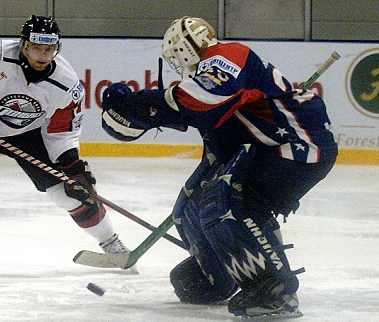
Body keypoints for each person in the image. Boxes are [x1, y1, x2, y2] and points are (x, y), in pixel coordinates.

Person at [100, 16, 338, 319]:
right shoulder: (203, 80)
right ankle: (221, 272)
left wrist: (143, 103)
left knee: (232, 199)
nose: (176, 64)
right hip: (269, 149)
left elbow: (202, 98)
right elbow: (167, 116)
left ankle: (275, 291)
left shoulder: (228, 56)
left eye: (176, 55)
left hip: (299, 146)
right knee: (194, 202)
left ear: (185, 49)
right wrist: (128, 111)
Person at [0, 15, 133, 273]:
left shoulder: (66, 84)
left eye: (49, 49)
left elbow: (62, 132)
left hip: (30, 134)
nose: (43, 55)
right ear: (24, 44)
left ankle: (110, 242)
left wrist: (72, 165)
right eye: (36, 47)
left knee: (67, 191)